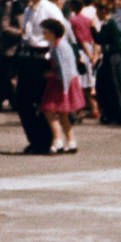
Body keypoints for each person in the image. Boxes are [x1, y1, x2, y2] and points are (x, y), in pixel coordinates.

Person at [17, 0, 66, 153]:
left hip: (43, 58)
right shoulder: (29, 10)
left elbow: (60, 35)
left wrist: (56, 64)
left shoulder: (50, 9)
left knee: (43, 103)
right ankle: (35, 139)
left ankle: (45, 141)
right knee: (22, 102)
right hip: (27, 57)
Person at [40, 18, 85, 153]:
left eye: (46, 31)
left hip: (61, 84)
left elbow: (65, 69)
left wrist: (52, 76)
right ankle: (71, 142)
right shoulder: (58, 44)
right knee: (63, 114)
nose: (44, 33)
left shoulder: (59, 47)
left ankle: (58, 140)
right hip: (63, 82)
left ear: (53, 32)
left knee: (49, 111)